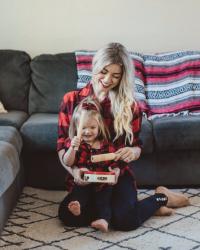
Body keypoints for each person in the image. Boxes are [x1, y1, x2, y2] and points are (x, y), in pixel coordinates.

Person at [57, 42, 190, 231]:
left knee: (126, 221)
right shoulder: (71, 100)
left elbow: (136, 146)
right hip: (85, 177)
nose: (107, 79)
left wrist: (132, 152)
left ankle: (161, 197)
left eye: (115, 75)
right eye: (103, 71)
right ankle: (134, 208)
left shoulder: (129, 106)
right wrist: (74, 173)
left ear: (122, 78)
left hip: (116, 175)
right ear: (95, 66)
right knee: (69, 216)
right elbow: (62, 146)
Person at [62, 96, 122, 232]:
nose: (88, 131)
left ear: (99, 127)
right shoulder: (76, 144)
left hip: (102, 181)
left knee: (104, 198)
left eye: (92, 127)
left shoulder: (105, 145)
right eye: (83, 128)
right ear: (76, 127)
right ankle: (78, 207)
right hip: (83, 182)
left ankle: (104, 220)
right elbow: (67, 162)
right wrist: (72, 148)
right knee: (79, 193)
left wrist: (115, 171)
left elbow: (114, 162)